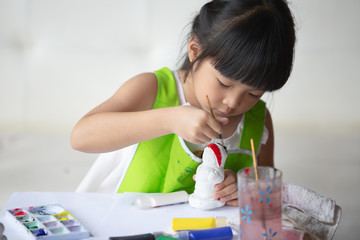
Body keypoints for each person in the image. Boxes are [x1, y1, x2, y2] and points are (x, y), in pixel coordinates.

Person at [71, 0, 296, 207]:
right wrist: (169, 119)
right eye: (224, 84)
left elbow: (267, 189)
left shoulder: (259, 121)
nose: (233, 102)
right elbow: (80, 137)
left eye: (254, 94)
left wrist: (242, 188)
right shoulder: (153, 89)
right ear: (195, 50)